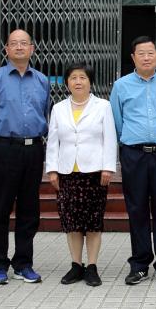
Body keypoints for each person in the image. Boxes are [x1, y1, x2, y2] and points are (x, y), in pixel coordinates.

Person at [0, 29, 51, 285]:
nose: (19, 47)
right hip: (4, 149)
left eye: (24, 43)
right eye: (14, 43)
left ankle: (23, 263)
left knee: (30, 209)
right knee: (2, 207)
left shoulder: (42, 80)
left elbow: (45, 113)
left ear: (32, 49)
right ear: (6, 49)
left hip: (33, 149)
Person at [110, 37, 156, 286]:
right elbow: (117, 121)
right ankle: (139, 264)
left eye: (151, 52)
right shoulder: (121, 85)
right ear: (133, 57)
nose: (147, 57)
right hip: (134, 154)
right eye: (141, 53)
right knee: (136, 208)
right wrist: (128, 143)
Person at [46, 62, 117, 288]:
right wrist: (52, 169)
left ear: (90, 81)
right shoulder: (58, 108)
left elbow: (110, 138)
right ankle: (76, 265)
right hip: (67, 173)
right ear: (67, 82)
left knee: (93, 221)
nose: (78, 82)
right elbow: (53, 141)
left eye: (83, 77)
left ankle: (92, 266)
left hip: (95, 172)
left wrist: (108, 167)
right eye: (73, 78)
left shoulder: (103, 106)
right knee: (72, 221)